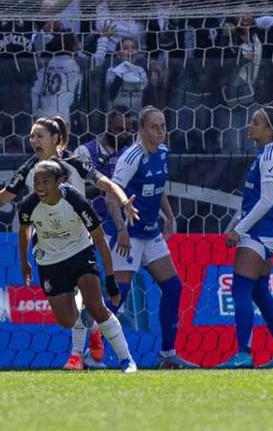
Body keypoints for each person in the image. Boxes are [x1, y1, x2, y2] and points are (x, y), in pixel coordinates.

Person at [0, 116, 139, 370]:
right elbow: (2, 198)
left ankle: (88, 355)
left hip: (79, 244)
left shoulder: (75, 164)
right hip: (49, 252)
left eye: (39, 135)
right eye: (31, 136)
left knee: (92, 300)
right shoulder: (30, 171)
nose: (33, 140)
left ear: (55, 140)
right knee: (69, 316)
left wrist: (123, 200)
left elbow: (106, 183)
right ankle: (91, 327)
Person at [17, 160, 137, 373]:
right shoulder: (28, 205)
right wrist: (25, 262)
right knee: (67, 320)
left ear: (60, 181)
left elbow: (99, 239)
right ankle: (93, 329)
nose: (40, 187)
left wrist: (110, 280)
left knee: (96, 307)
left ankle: (126, 360)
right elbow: (24, 231)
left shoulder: (75, 200)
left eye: (46, 181)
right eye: (37, 182)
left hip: (80, 252)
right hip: (50, 260)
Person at [103, 105, 198, 369]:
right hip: (128, 235)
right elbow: (111, 194)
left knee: (173, 287)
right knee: (117, 295)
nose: (160, 132)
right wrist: (121, 230)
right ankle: (90, 351)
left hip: (150, 232)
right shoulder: (132, 157)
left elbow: (159, 187)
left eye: (163, 126)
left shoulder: (163, 152)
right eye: (154, 127)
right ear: (142, 130)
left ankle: (167, 354)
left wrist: (169, 215)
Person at [217, 105, 273, 369]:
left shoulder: (270, 156)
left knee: (240, 288)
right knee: (260, 291)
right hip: (266, 232)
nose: (249, 126)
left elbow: (265, 201)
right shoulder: (269, 153)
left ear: (270, 130)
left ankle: (244, 353)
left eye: (256, 122)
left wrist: (239, 229)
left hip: (259, 232)